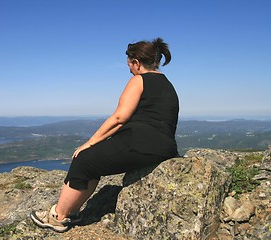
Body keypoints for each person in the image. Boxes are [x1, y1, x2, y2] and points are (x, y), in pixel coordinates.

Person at [30, 37, 179, 232]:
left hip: (141, 144)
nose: (129, 70)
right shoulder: (166, 83)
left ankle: (59, 216)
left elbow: (119, 118)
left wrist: (90, 143)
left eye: (130, 65)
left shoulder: (139, 80)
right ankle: (71, 212)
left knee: (83, 160)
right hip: (165, 147)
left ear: (136, 62)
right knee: (93, 162)